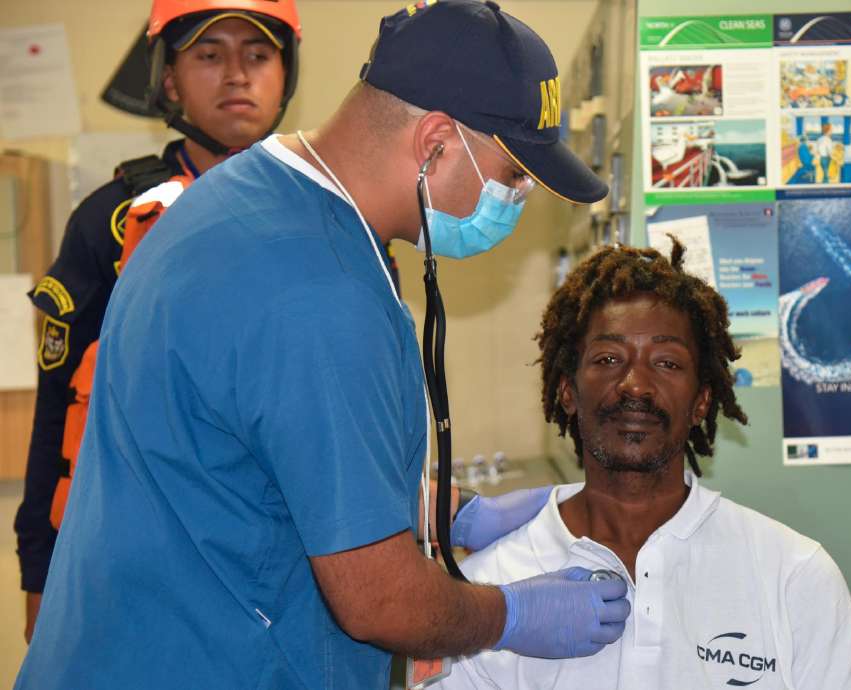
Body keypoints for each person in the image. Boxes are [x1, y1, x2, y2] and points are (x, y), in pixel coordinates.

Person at [15, 2, 630, 687]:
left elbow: (250, 459)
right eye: (514, 174)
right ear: (433, 144)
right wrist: (512, 616)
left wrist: (451, 511)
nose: (516, 198)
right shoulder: (319, 292)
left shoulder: (242, 199)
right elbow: (378, 599)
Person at [440, 239, 851, 689]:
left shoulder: (795, 575)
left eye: (666, 362)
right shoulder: (489, 593)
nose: (635, 386)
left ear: (702, 400)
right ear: (567, 390)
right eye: (608, 359)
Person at [13, 0, 303, 644]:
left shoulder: (330, 211)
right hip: (140, 562)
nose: (236, 74)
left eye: (258, 55)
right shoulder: (112, 220)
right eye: (208, 54)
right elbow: (60, 408)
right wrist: (41, 574)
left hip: (293, 560)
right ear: (169, 80)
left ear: (286, 75)